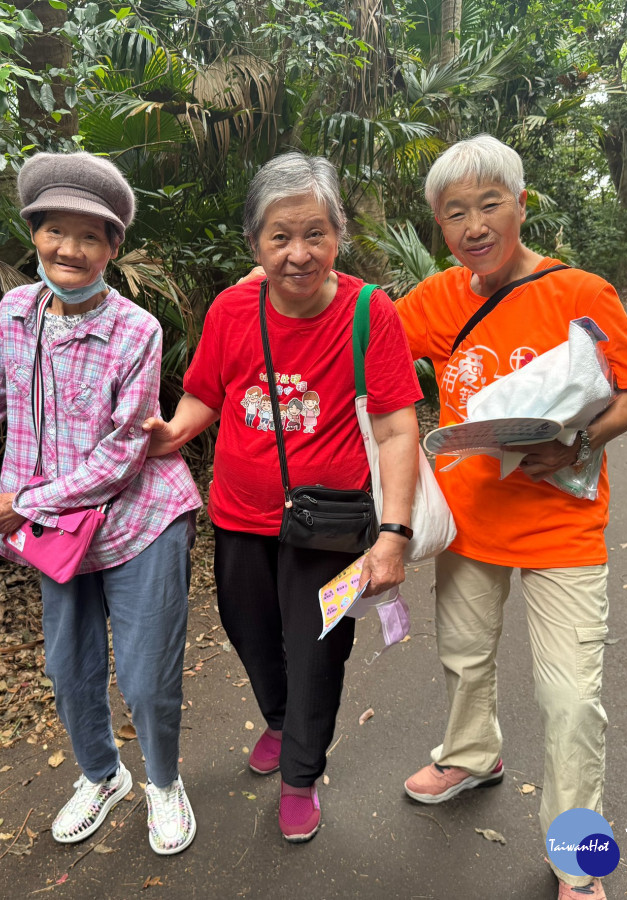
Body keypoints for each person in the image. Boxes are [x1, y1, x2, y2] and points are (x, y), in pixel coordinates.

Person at [0, 151, 203, 857]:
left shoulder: (135, 331)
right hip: (56, 532)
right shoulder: (12, 316)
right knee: (68, 669)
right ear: (35, 234)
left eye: (91, 236)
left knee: (145, 679)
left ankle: (165, 783)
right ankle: (101, 774)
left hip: (139, 523)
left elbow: (123, 456)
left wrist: (24, 502)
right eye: (57, 230)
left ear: (114, 247)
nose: (71, 249)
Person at [394, 135, 627, 900]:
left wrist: (582, 438)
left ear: (520, 202)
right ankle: (472, 754)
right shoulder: (438, 298)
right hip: (469, 522)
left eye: (489, 204)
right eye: (455, 213)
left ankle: (577, 854)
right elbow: (368, 344)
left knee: (572, 697)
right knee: (465, 657)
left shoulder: (579, 291)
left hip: (562, 526)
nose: (474, 225)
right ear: (440, 228)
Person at [142, 152, 421, 843]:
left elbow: (395, 428)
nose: (299, 254)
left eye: (315, 234)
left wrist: (394, 533)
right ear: (254, 243)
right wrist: (171, 433)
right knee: (253, 634)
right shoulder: (234, 307)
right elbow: (207, 391)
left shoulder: (368, 312)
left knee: (318, 651)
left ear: (339, 234)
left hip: (329, 526)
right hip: (238, 517)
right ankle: (277, 718)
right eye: (280, 237)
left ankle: (301, 772)